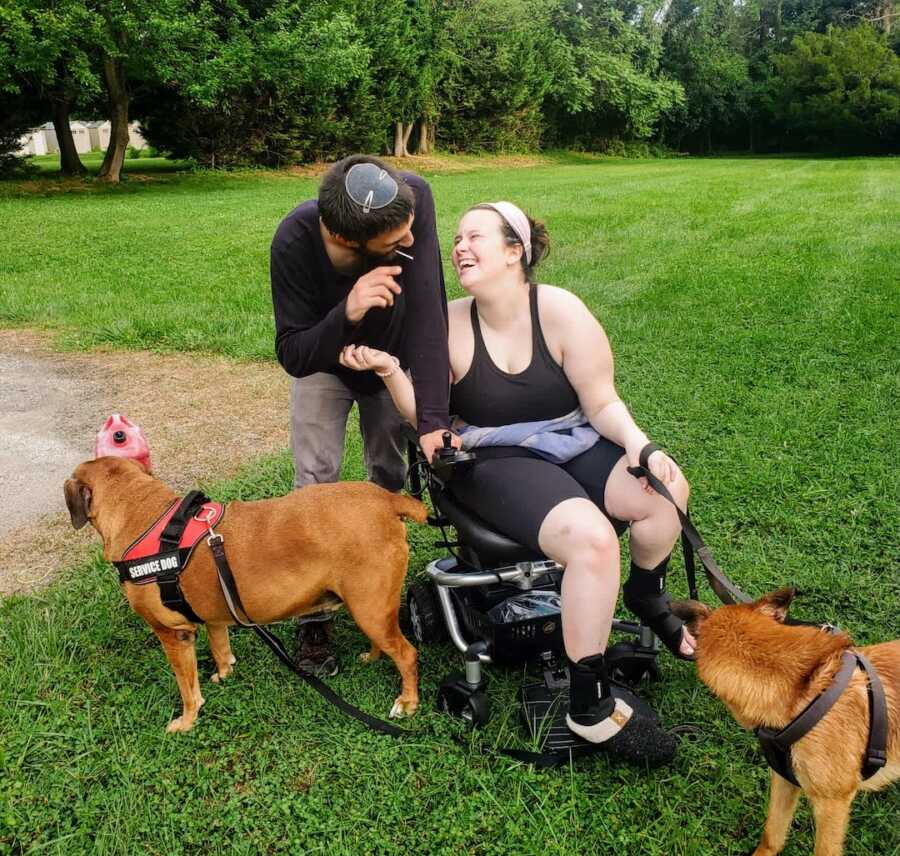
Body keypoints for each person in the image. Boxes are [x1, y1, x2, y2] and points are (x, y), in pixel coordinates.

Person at [339, 201, 695, 764]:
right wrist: (389, 372)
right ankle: (588, 702)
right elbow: (424, 418)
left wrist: (639, 444)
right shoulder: (446, 321)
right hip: (490, 456)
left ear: (515, 252)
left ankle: (647, 595)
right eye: (455, 238)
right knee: (592, 540)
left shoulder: (561, 311)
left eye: (474, 236)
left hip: (569, 438)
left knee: (664, 495)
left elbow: (600, 401)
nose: (458, 247)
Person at [270, 155, 453, 675]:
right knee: (314, 481)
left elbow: (428, 316)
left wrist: (433, 420)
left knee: (390, 475)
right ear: (348, 240)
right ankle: (313, 617)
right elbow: (294, 353)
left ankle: (376, 583)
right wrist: (346, 313)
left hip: (388, 365)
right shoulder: (294, 240)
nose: (411, 245)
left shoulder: (411, 197)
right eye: (396, 245)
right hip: (322, 364)